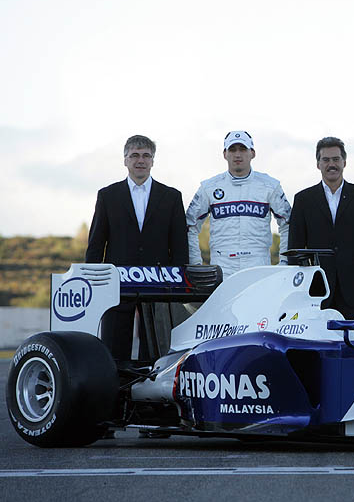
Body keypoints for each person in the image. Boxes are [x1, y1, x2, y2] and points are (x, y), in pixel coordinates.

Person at [86, 135, 189, 361]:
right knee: (114, 345)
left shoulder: (171, 197)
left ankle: (151, 391)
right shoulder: (108, 195)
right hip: (118, 283)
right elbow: (96, 243)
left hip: (159, 283)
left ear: (153, 161)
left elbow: (180, 245)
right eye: (134, 155)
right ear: (125, 160)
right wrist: (94, 280)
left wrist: (177, 281)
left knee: (155, 347)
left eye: (146, 156)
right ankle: (114, 392)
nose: (140, 160)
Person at [288, 136, 354, 319]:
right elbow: (295, 249)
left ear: (344, 162)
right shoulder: (303, 200)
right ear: (318, 164)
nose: (331, 164)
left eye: (336, 159)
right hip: (315, 289)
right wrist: (299, 288)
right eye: (326, 160)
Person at [185, 130, 291, 279]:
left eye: (242, 149)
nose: (237, 154)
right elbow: (189, 225)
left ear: (252, 153)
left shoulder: (270, 185)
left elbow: (288, 224)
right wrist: (195, 264)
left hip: (258, 266)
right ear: (225, 154)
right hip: (222, 267)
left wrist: (284, 262)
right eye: (232, 150)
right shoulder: (208, 187)